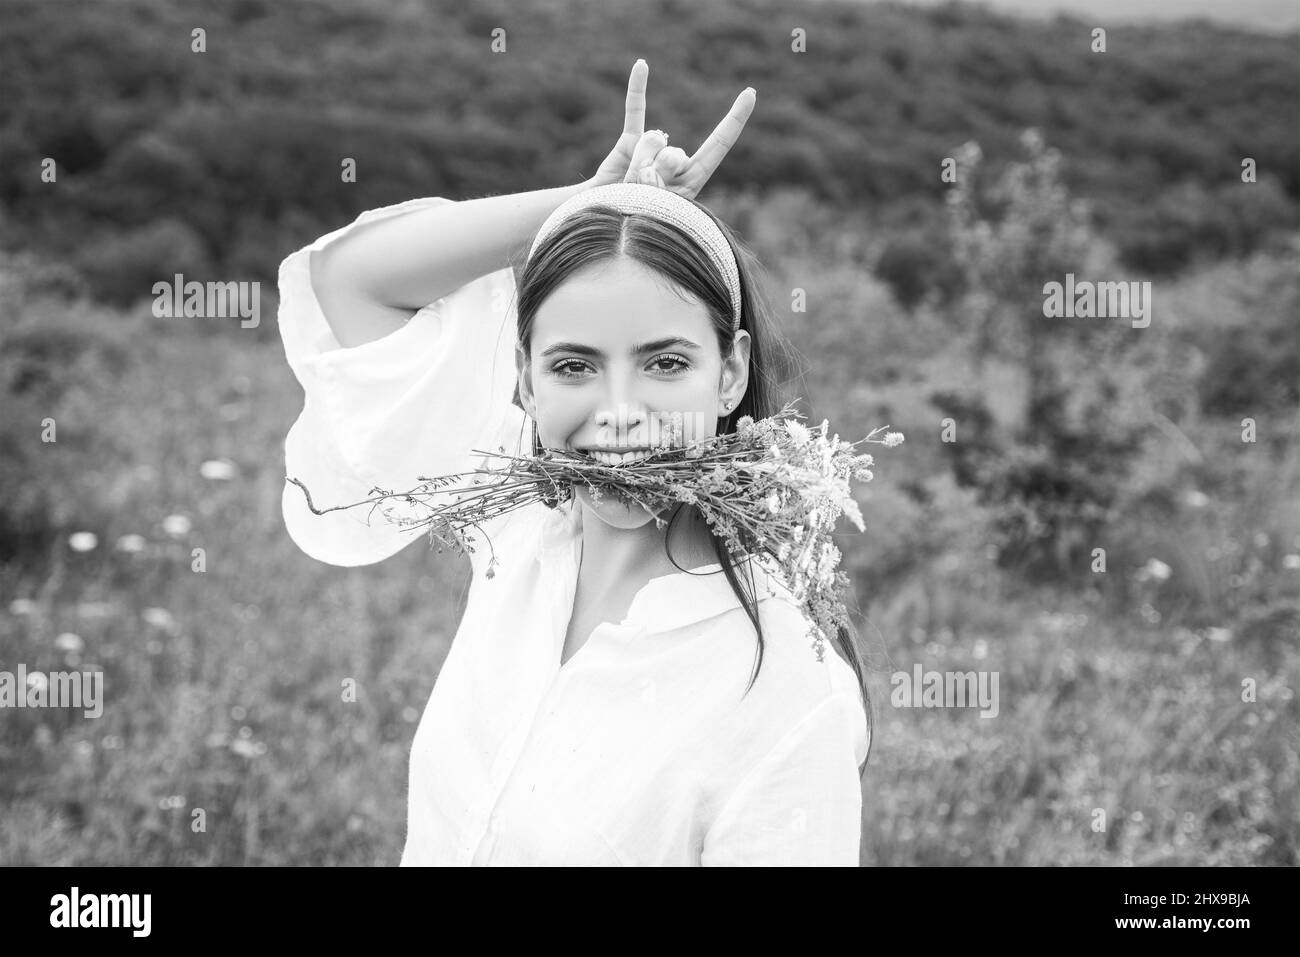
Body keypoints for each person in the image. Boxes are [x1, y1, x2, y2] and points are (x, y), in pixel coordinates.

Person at [276, 59, 871, 865]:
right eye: (573, 365)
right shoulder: (520, 525)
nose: (617, 412)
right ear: (524, 377)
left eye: (664, 364)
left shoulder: (787, 692)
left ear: (729, 371)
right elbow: (351, 280)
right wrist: (581, 208)